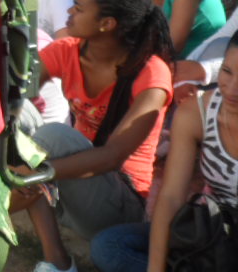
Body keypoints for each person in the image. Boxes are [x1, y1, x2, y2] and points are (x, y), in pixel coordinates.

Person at [10, 0, 174, 272]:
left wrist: (37, 172)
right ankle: (57, 260)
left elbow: (112, 157)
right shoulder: (66, 50)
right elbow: (18, 93)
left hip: (117, 203)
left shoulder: (151, 74)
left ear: (106, 24)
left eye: (79, 8)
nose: (69, 12)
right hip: (68, 188)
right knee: (14, 114)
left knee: (54, 137)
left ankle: (49, 250)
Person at [89, 31, 238, 272]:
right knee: (110, 246)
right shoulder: (196, 112)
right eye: (227, 71)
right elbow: (171, 197)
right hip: (210, 233)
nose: (231, 88)